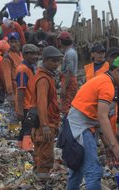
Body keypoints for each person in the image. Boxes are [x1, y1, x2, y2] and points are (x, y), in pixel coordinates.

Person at [63, 55, 119, 190]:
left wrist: (107, 145)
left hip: (72, 126)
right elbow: (102, 116)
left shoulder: (102, 80)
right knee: (93, 170)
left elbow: (96, 120)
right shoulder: (107, 86)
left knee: (76, 169)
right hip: (80, 128)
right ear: (118, 71)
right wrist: (114, 145)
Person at [31, 46, 62, 180]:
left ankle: (38, 182)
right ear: (45, 61)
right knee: (45, 158)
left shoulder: (46, 77)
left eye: (57, 61)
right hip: (44, 124)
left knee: (40, 156)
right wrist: (45, 126)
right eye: (53, 61)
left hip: (45, 124)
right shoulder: (43, 80)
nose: (56, 64)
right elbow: (41, 104)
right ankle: (42, 187)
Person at [16, 44, 39, 151]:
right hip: (26, 106)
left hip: (29, 104)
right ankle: (27, 151)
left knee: (24, 128)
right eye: (32, 54)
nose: (36, 57)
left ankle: (20, 148)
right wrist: (20, 110)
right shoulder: (22, 70)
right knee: (28, 130)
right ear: (25, 55)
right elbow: (21, 90)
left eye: (37, 54)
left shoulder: (30, 68)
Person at [0, 32, 23, 107]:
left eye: (15, 42)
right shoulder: (7, 57)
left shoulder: (20, 54)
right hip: (15, 88)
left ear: (19, 42)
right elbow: (7, 78)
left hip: (22, 87)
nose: (13, 44)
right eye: (11, 42)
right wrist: (11, 94)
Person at [58, 31, 78, 116]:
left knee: (66, 104)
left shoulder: (69, 53)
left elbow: (69, 71)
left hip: (69, 81)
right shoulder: (70, 52)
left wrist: (64, 87)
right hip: (69, 79)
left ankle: (67, 124)